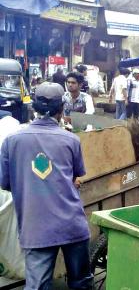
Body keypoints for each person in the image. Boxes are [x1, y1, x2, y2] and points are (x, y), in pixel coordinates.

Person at [0, 82, 93, 289]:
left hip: (36, 227)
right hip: (72, 225)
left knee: (37, 286)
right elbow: (75, 176)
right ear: (61, 110)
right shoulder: (71, 140)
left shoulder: (11, 141)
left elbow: (5, 184)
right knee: (81, 283)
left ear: (33, 107)